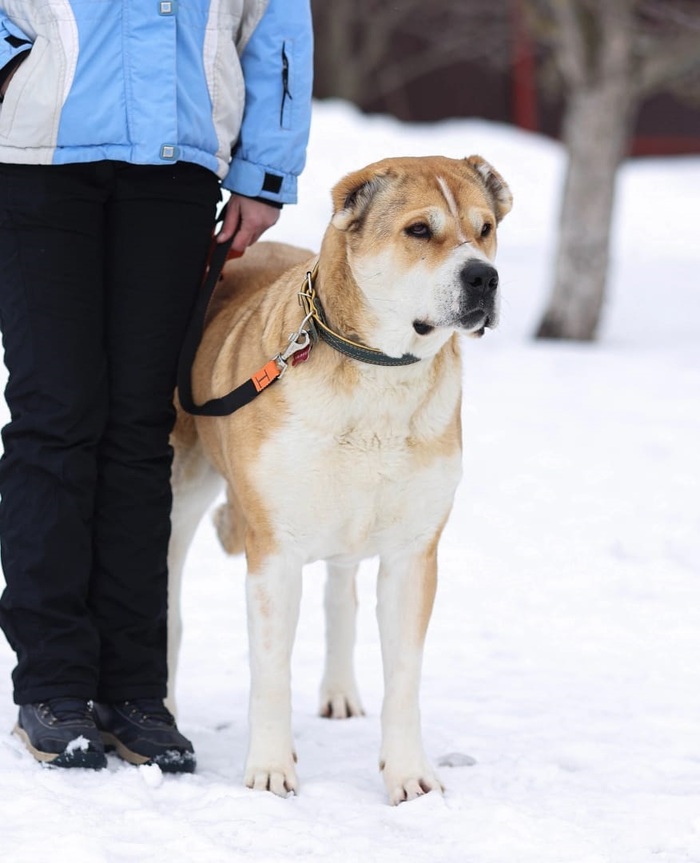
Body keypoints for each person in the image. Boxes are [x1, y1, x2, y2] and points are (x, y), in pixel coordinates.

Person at [0, 1, 313, 772]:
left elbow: (276, 22)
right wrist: (15, 66)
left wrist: (264, 169)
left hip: (175, 167)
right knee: (56, 417)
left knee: (142, 430)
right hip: (37, 160)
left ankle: (136, 688)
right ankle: (54, 684)